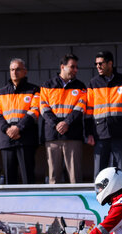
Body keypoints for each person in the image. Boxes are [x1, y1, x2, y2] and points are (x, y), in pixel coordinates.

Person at [85, 51, 122, 178]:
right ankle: (99, 197)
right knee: (99, 172)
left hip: (121, 132)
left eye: (101, 63)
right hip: (100, 133)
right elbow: (89, 111)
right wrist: (89, 133)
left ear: (110, 63)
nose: (98, 66)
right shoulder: (93, 83)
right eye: (96, 64)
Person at [40, 54, 87, 183]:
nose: (75, 70)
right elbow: (43, 107)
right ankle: (55, 203)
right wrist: (57, 124)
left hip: (73, 136)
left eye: (76, 67)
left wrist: (66, 123)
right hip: (52, 137)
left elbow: (80, 107)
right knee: (54, 177)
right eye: (72, 67)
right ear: (62, 67)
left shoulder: (81, 86)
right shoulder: (47, 85)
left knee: (75, 177)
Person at [0, 58, 39, 184]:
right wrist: (7, 129)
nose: (14, 72)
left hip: (26, 139)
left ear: (25, 71)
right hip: (7, 140)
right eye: (12, 69)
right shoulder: (1, 92)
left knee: (28, 178)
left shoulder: (34, 90)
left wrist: (18, 128)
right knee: (9, 179)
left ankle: (30, 204)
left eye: (18, 69)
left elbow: (35, 111)